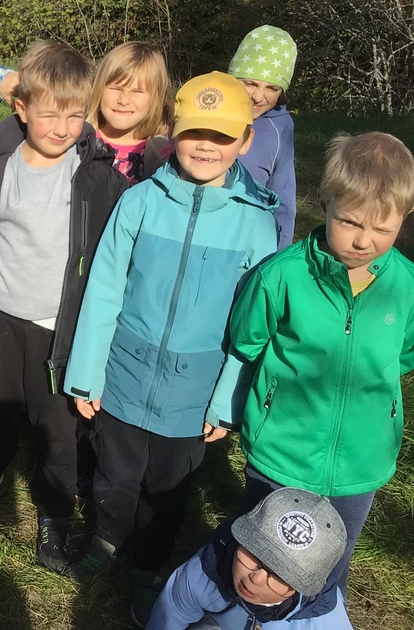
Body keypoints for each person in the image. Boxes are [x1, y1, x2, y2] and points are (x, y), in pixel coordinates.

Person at [63, 71, 278, 626]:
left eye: (222, 135)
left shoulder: (257, 223)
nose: (206, 145)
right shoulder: (139, 201)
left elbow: (252, 325)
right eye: (194, 132)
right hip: (124, 376)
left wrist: (227, 402)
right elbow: (104, 287)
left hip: (194, 393)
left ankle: (150, 566)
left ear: (246, 141)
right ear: (173, 132)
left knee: (169, 490)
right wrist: (86, 371)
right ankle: (106, 538)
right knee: (114, 475)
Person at [0, 40, 127, 574]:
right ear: (21, 108)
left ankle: (55, 513)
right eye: (49, 114)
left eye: (74, 115)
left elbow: (116, 264)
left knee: (56, 428)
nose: (62, 128)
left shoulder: (99, 180)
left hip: (58, 329)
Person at [208, 131, 414, 601]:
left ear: (405, 217)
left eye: (382, 229)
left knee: (327, 566)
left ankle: (314, 613)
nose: (362, 240)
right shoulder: (282, 274)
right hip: (283, 453)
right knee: (257, 556)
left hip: (360, 461)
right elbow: (248, 338)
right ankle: (235, 609)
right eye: (349, 221)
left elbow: (403, 354)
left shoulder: (406, 286)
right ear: (324, 202)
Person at [147, 489, 352, 629]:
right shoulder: (206, 569)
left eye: (279, 574)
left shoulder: (324, 620)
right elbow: (170, 616)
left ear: (302, 587)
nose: (256, 578)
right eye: (255, 556)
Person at [228, 25, 298, 247]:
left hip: (244, 243)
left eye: (272, 88)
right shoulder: (207, 107)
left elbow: (284, 198)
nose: (258, 96)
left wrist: (279, 255)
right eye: (250, 83)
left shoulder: (279, 127)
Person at [87, 41, 173, 185]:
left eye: (137, 91)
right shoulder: (79, 142)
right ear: (99, 88)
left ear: (156, 98)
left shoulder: (163, 156)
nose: (124, 100)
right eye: (116, 88)